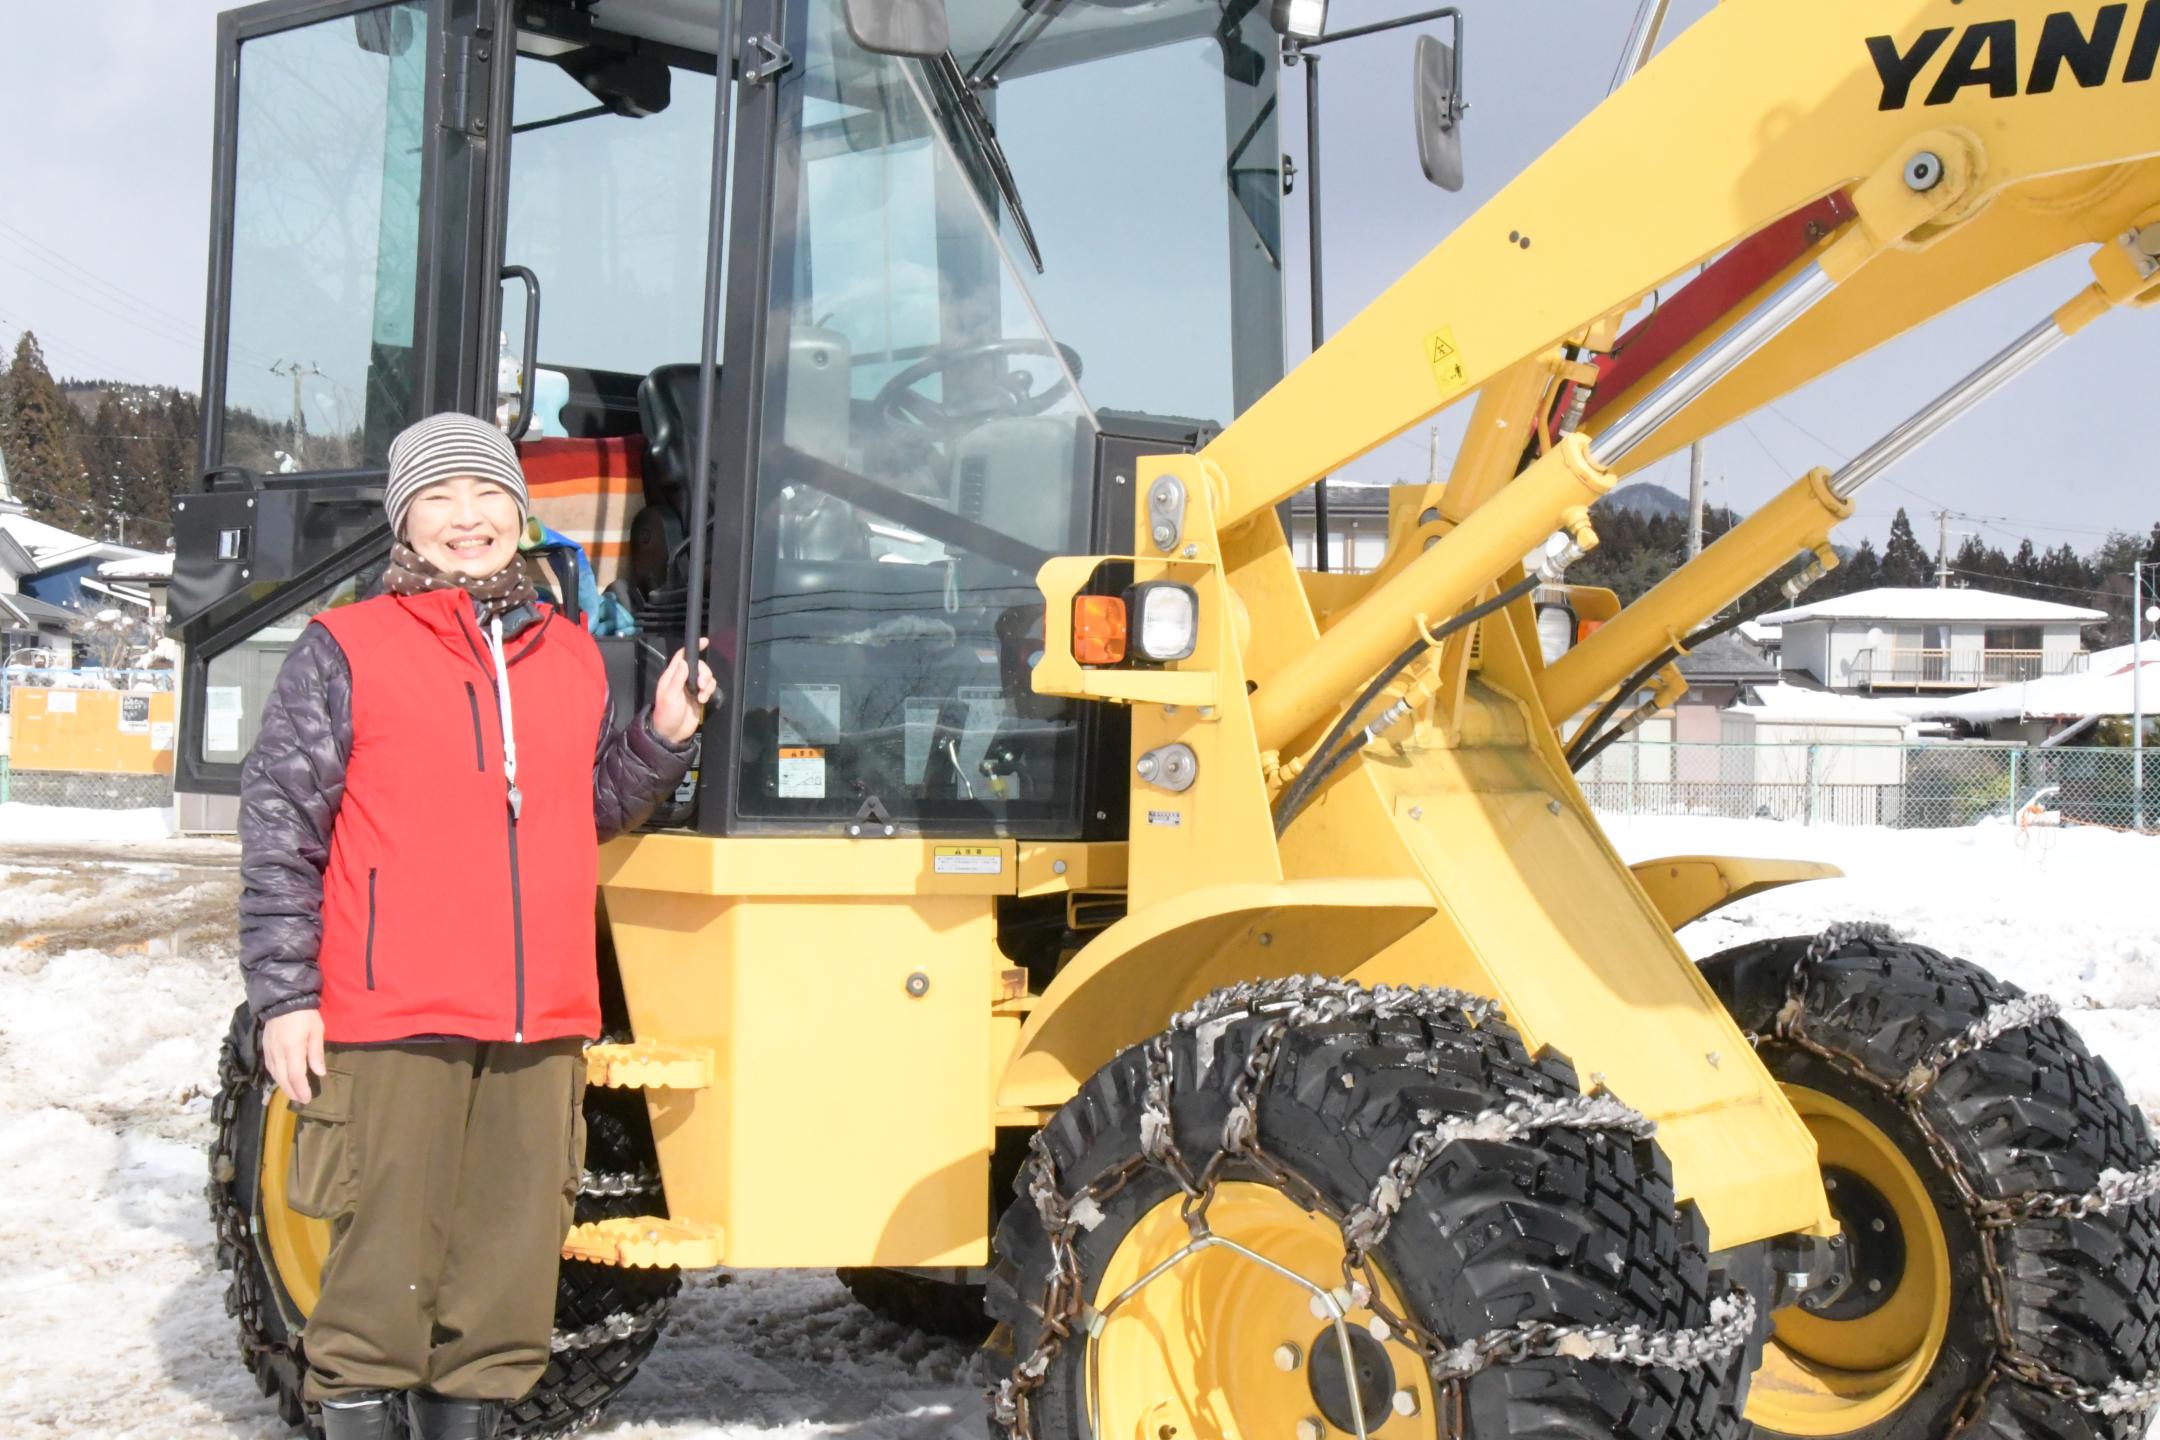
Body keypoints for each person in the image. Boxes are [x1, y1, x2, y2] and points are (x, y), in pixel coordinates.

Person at [236, 411, 717, 1440]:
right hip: (391, 1013)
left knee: (504, 1285)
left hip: (539, 1018)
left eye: (487, 494)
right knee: (381, 1277)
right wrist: (286, 997)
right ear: (405, 521)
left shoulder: (572, 655)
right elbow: (282, 829)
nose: (468, 518)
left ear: (518, 507)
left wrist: (662, 739)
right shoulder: (345, 649)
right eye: (440, 498)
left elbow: (575, 809)